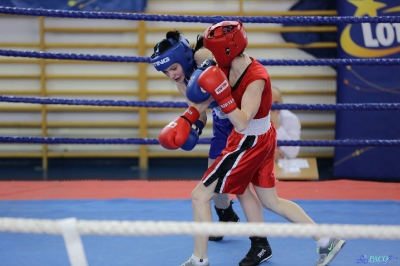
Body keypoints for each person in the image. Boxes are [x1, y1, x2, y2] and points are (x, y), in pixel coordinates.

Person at [158, 20, 345, 266]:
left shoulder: (256, 77)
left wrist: (224, 97)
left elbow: (243, 122)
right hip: (256, 137)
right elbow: (203, 103)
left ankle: (199, 260)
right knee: (270, 201)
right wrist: (189, 119)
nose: (208, 57)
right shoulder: (222, 66)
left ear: (226, 50)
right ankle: (325, 240)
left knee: (200, 196)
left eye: (213, 51)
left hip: (248, 139)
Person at [150, 31, 240, 241]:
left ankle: (260, 240)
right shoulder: (181, 82)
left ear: (184, 58)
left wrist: (208, 67)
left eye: (173, 68)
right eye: (166, 72)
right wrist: (193, 129)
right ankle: (227, 217)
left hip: (242, 115)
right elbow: (199, 110)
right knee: (212, 176)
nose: (171, 74)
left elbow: (228, 70)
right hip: (222, 122)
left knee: (244, 180)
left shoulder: (202, 54)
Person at [271, 85, 301, 161]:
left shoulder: (291, 119)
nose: (272, 107)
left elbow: (293, 153)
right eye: (268, 102)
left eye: (276, 103)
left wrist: (277, 125)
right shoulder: (253, 118)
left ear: (282, 103)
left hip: (284, 165)